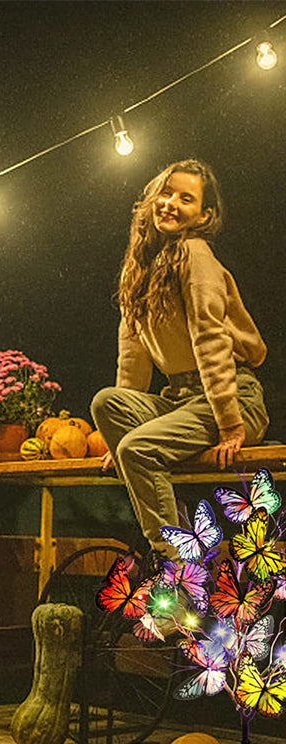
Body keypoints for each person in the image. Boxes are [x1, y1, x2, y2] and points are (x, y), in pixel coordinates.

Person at [90, 159, 269, 559]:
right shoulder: (139, 266)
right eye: (166, 193)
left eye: (186, 199)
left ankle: (176, 568)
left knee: (137, 451)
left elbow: (211, 339)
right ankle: (186, 539)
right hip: (181, 398)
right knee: (107, 402)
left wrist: (231, 426)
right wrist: (117, 439)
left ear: (203, 215)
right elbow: (132, 357)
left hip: (231, 396)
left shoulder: (194, 253)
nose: (171, 203)